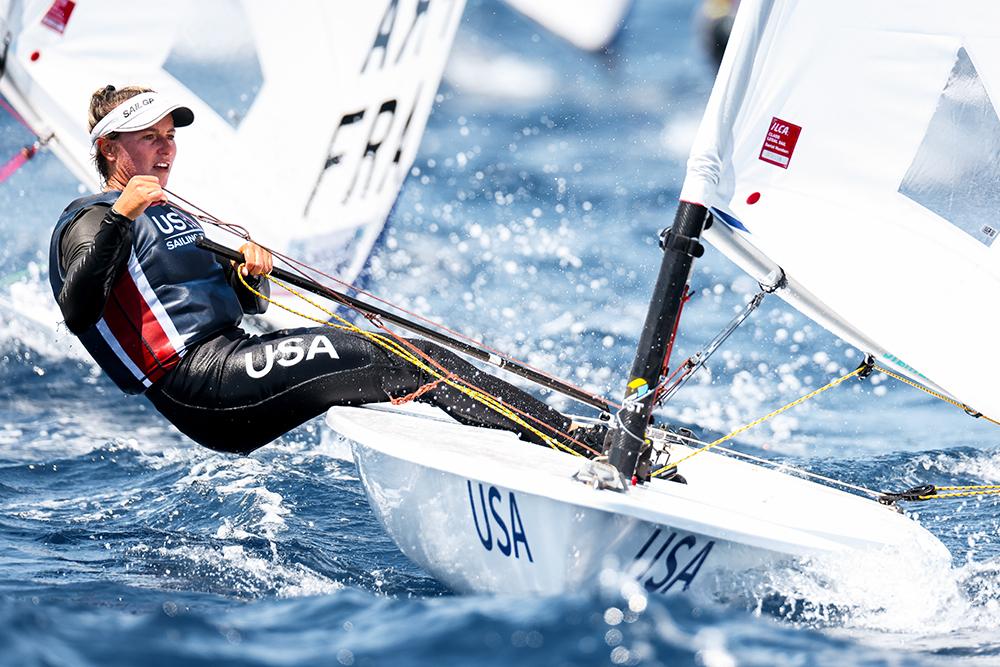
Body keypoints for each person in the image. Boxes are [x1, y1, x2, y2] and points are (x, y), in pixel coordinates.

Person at [50, 85, 604, 456]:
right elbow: (78, 308)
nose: (166, 149)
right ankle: (572, 442)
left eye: (170, 136)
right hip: (200, 384)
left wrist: (250, 275)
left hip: (233, 357)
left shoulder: (168, 213)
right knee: (404, 359)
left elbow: (242, 306)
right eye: (149, 137)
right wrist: (121, 215)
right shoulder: (90, 218)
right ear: (109, 148)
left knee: (409, 354)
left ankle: (556, 435)